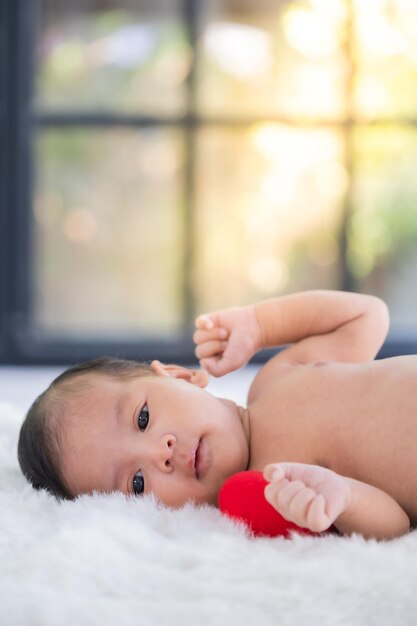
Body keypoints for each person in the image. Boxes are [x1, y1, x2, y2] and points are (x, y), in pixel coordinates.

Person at [18, 290, 414, 540]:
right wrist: (343, 498)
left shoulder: (276, 379)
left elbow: (365, 317)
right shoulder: (268, 488)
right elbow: (395, 524)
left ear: (179, 376)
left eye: (142, 419)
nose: (162, 452)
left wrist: (260, 324)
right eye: (137, 482)